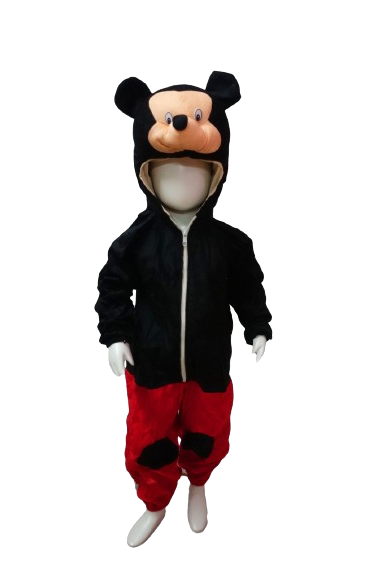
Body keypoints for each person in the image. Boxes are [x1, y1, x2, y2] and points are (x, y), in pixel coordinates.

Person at [95, 72, 272, 547]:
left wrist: (257, 325)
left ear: (216, 175)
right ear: (147, 175)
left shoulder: (232, 244)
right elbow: (112, 286)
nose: (182, 181)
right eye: (168, 172)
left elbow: (249, 287)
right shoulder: (136, 241)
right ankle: (155, 501)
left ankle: (197, 484)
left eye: (196, 171)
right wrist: (115, 335)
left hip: (210, 365)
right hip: (152, 364)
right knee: (148, 441)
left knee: (207, 434)